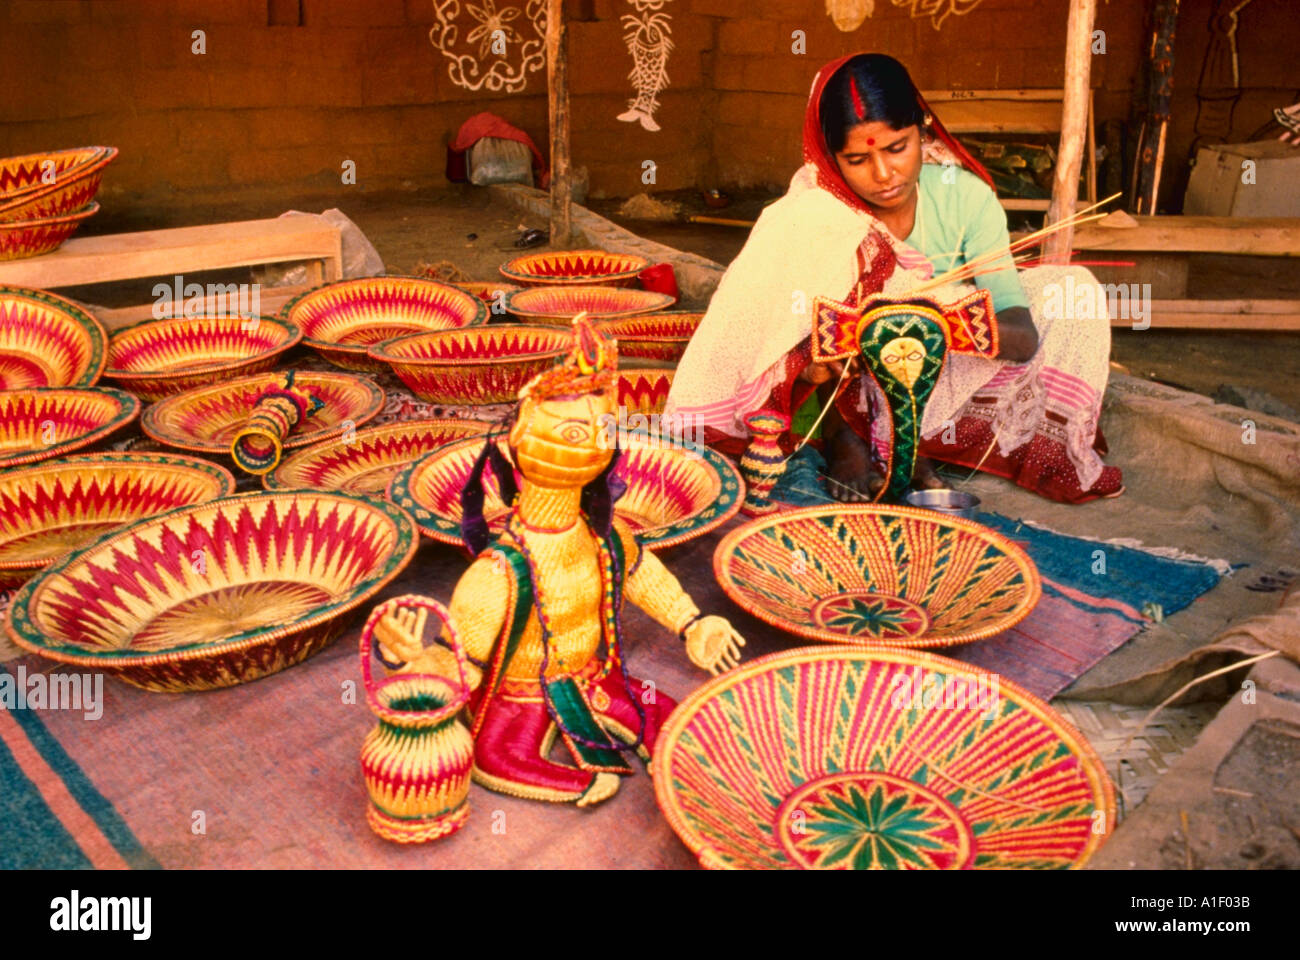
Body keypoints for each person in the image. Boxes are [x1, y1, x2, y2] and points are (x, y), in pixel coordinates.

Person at [666, 53, 1123, 504]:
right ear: (830, 158)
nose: (883, 175)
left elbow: (1022, 337)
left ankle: (909, 439)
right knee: (855, 281)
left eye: (897, 148)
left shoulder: (965, 197)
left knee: (1070, 289)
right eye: (856, 160)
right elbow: (767, 329)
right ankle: (849, 437)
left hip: (943, 373)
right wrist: (849, 334)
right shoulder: (813, 213)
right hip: (836, 387)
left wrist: (930, 322)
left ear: (922, 125)